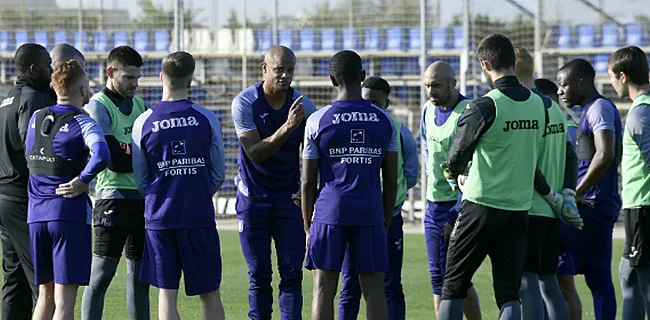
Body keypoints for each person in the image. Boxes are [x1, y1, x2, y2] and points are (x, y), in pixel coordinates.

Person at [437, 34, 547, 320]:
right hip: (519, 209)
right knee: (509, 294)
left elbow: (453, 160)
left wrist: (458, 177)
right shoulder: (539, 105)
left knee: (453, 285)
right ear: (512, 61)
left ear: (485, 65)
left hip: (481, 206)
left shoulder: (485, 105)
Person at [302, 49, 398, 320]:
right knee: (374, 291)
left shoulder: (317, 120)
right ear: (364, 77)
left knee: (322, 289)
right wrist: (384, 219)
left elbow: (308, 181)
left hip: (329, 212)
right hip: (370, 212)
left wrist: (308, 227)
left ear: (332, 80)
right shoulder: (385, 121)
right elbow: (391, 179)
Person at [132, 51, 226, 320]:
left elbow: (141, 179)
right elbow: (218, 173)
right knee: (210, 294)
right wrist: (195, 193)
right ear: (191, 80)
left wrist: (162, 195)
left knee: (166, 294)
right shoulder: (206, 118)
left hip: (160, 219)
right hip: (198, 216)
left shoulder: (143, 121)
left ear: (161, 77)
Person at [231, 45, 316, 319]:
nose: (285, 76)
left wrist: (308, 196)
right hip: (253, 200)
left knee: (292, 273)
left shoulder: (305, 106)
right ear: (265, 69)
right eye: (279, 69)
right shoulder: (245, 103)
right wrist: (288, 127)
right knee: (259, 274)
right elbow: (255, 153)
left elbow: (314, 158)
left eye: (290, 70)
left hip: (288, 201)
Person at [26, 59, 109, 320]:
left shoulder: (36, 118)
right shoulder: (84, 122)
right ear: (82, 89)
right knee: (64, 302)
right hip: (67, 214)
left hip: (36, 215)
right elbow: (102, 154)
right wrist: (83, 180)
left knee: (44, 295)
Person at [337, 76, 418, 320]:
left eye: (374, 102)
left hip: (388, 218)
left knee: (390, 282)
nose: (369, 107)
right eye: (365, 100)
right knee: (350, 285)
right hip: (355, 217)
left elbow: (409, 176)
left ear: (387, 102)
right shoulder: (349, 127)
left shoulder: (400, 132)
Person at [81, 45, 150, 320]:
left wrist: (126, 150)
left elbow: (148, 155)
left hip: (142, 202)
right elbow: (114, 162)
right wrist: (137, 153)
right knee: (100, 276)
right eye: (128, 77)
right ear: (111, 72)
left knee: (140, 281)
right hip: (113, 201)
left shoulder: (141, 106)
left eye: (137, 78)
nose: (134, 84)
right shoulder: (99, 104)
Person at [513, 47, 582, 320]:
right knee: (549, 281)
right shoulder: (553, 107)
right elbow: (571, 154)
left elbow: (525, 162)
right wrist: (566, 193)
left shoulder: (524, 107)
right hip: (551, 213)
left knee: (527, 282)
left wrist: (551, 194)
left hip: (530, 206)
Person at [557, 58, 623, 320]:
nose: (560, 91)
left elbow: (605, 154)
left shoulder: (599, 109)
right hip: (593, 207)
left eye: (564, 85)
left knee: (555, 273)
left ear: (582, 83)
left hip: (590, 209)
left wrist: (577, 191)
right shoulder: (592, 109)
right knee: (595, 280)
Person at [418, 61, 481, 319]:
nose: (431, 91)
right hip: (433, 205)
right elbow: (425, 147)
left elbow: (474, 165)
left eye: (436, 85)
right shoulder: (426, 110)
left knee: (456, 278)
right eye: (427, 86)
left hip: (457, 207)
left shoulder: (468, 112)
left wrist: (457, 211)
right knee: (438, 277)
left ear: (453, 84)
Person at [0, 43, 54, 320]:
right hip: (23, 197)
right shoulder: (32, 98)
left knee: (14, 279)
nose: (52, 70)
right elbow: (31, 145)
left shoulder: (8, 98)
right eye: (48, 65)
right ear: (34, 68)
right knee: (43, 280)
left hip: (5, 197)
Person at [535, 77, 584, 320]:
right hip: (556, 210)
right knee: (554, 284)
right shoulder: (558, 125)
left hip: (553, 212)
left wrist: (569, 195)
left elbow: (576, 163)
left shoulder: (566, 127)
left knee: (558, 283)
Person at [607, 46, 650, 320]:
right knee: (628, 275)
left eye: (611, 76)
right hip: (638, 208)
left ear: (623, 76)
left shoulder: (640, 115)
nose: (610, 82)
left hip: (643, 209)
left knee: (644, 282)